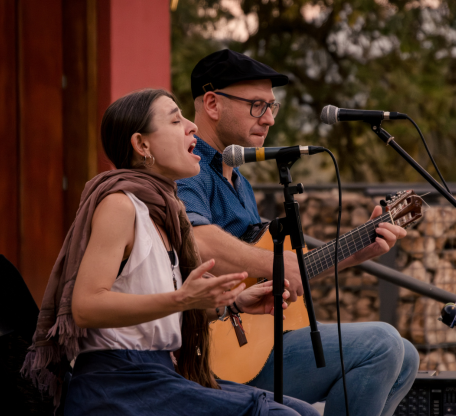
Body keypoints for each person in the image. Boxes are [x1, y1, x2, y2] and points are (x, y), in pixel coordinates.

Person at [21, 89, 319, 416]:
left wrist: (231, 304)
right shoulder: (120, 205)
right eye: (176, 120)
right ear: (142, 145)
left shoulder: (166, 214)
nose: (192, 126)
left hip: (159, 373)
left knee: (303, 412)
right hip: (117, 384)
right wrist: (183, 300)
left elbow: (156, 316)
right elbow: (86, 307)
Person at [176, 49, 420, 416]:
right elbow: (195, 239)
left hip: (259, 346)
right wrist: (276, 264)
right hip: (215, 354)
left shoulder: (239, 182)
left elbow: (277, 275)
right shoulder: (190, 172)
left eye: (273, 107)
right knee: (382, 343)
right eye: (258, 106)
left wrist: (357, 253)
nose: (270, 119)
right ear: (212, 103)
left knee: (408, 357)